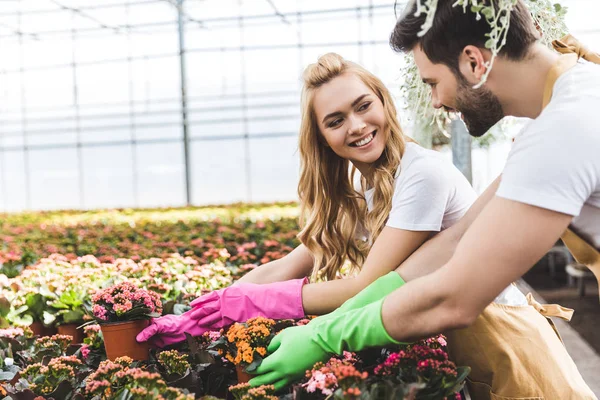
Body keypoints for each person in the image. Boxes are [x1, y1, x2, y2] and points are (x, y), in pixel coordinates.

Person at [248, 1, 599, 398]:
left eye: (432, 82)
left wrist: (327, 336)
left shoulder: (563, 127)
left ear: (472, 62)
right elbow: (455, 240)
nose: (434, 101)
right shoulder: (575, 97)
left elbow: (455, 297)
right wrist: (316, 322)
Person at [136, 52, 477, 346]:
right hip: (441, 339)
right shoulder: (367, 190)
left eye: (363, 106)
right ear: (324, 139)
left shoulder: (422, 174)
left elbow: (367, 286)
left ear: (384, 102)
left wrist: (255, 303)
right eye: (336, 121)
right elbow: (287, 266)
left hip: (483, 338)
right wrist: (204, 312)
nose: (356, 126)